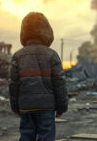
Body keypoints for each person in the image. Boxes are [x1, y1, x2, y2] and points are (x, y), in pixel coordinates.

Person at [9, 12, 68, 141]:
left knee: (26, 136)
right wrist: (62, 107)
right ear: (47, 32)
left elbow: (13, 85)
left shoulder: (17, 56)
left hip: (26, 107)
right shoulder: (52, 55)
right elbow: (59, 83)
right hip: (46, 107)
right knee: (46, 136)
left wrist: (15, 107)